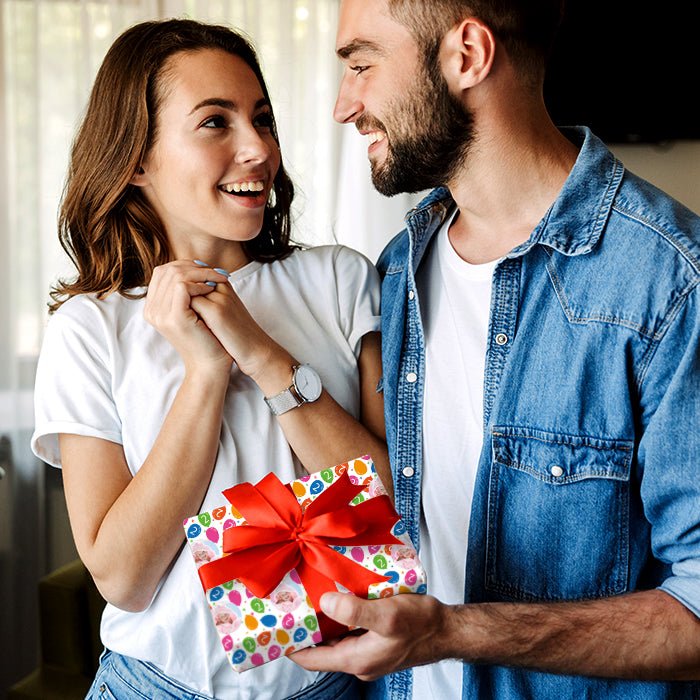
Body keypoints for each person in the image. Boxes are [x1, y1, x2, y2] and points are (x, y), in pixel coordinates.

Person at [292, 0, 700, 698]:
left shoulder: (669, 283)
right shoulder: (398, 270)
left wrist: (453, 632)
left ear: (468, 56)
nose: (343, 105)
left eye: (361, 65)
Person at [30, 18, 391, 700]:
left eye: (261, 119)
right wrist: (204, 373)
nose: (258, 149)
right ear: (135, 160)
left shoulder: (342, 282)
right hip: (153, 686)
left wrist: (261, 355)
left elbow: (393, 508)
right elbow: (123, 579)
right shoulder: (90, 328)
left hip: (334, 687)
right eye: (214, 123)